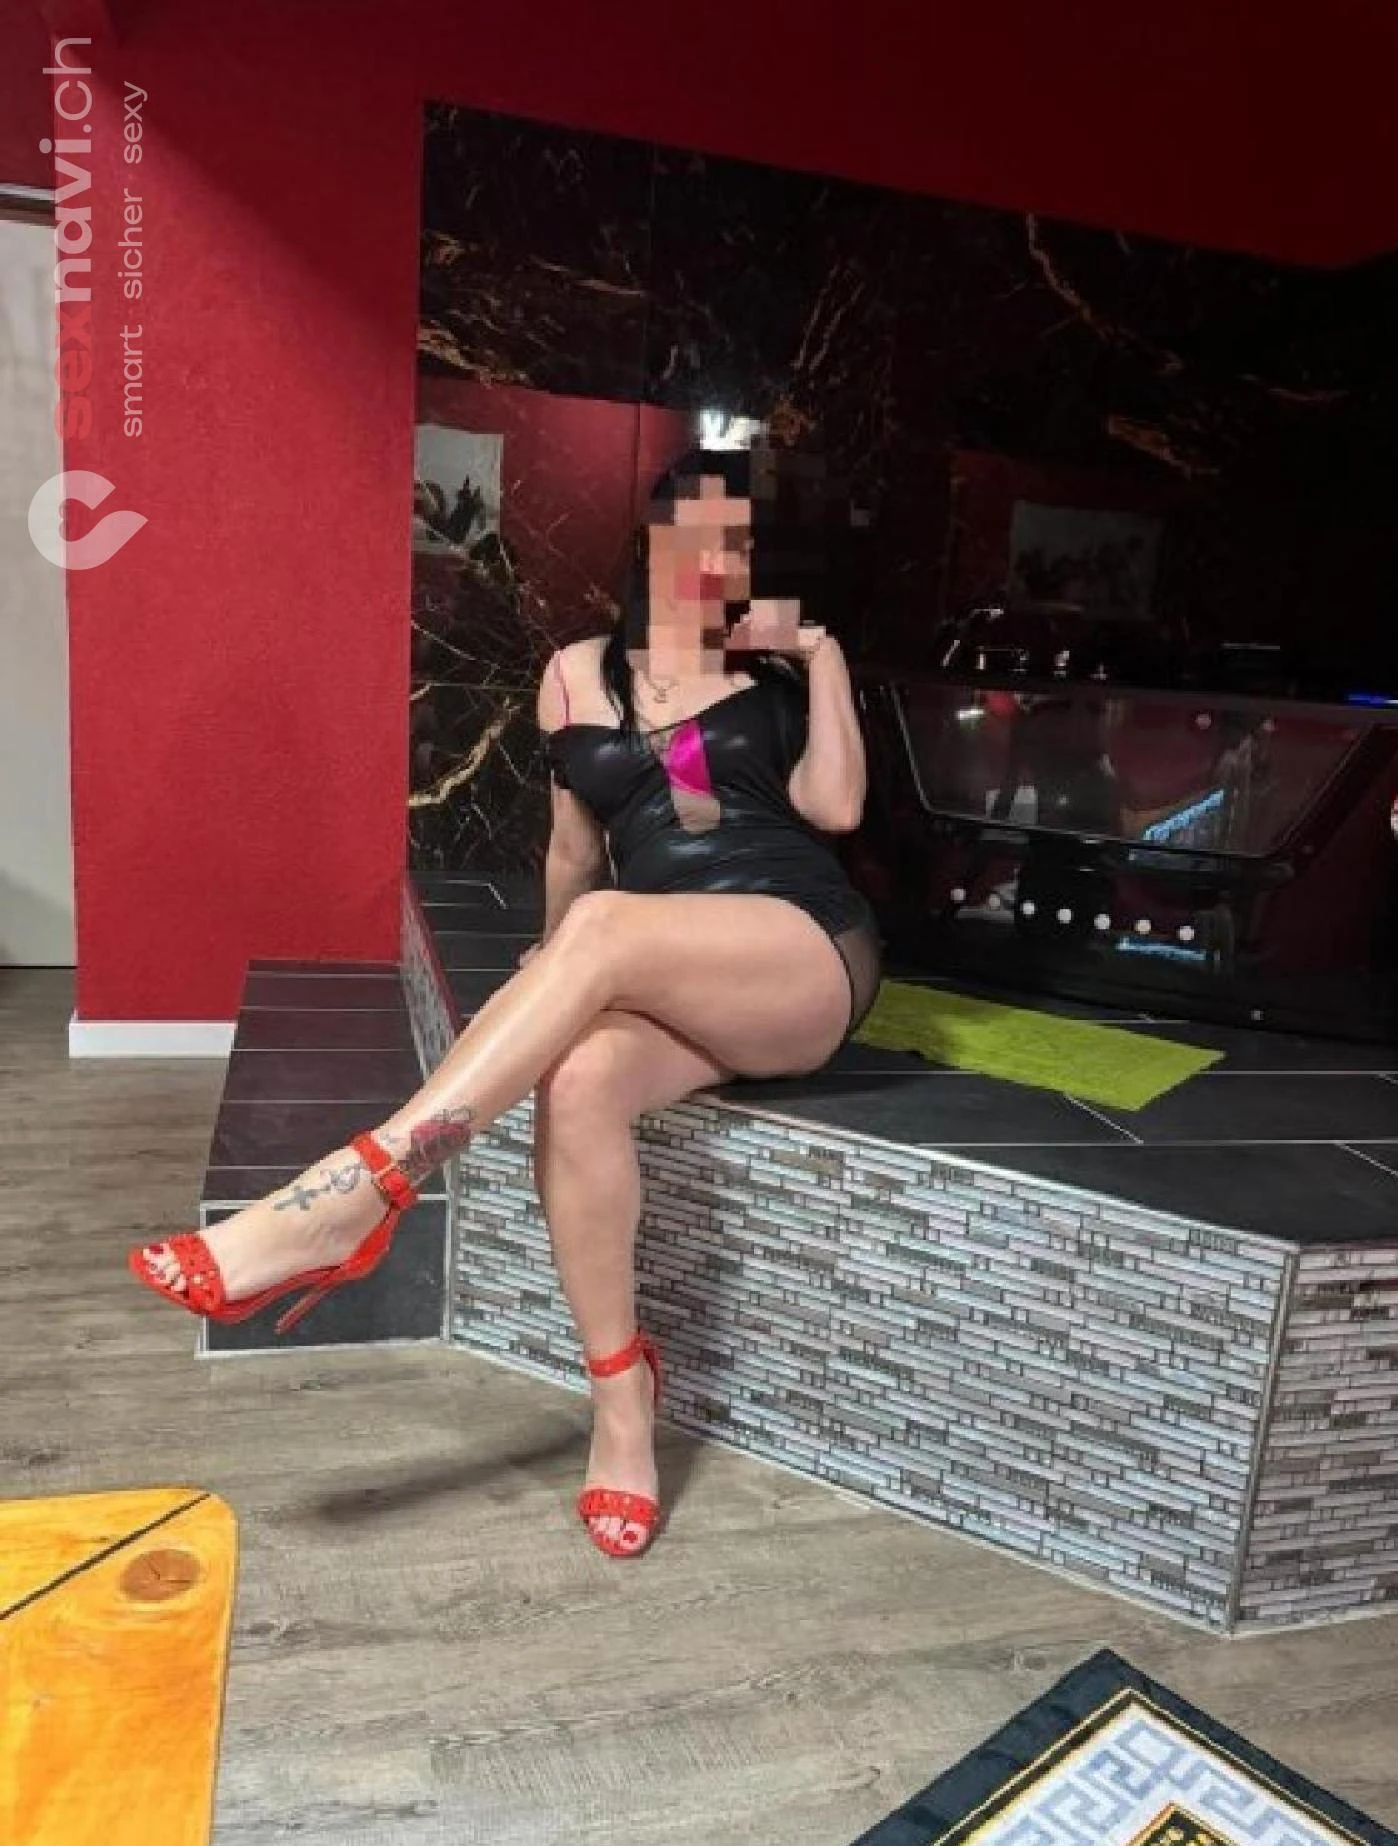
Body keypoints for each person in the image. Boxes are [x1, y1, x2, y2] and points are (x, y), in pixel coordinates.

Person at [128, 446, 884, 1562]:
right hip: (658, 950)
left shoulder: (771, 684)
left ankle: (354, 1193)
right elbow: (577, 847)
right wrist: (560, 958)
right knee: (577, 1079)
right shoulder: (580, 674)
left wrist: (821, 654)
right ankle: (622, 1400)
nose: (714, 560)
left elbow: (836, 806)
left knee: (606, 929)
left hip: (801, 948)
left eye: (736, 545)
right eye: (696, 534)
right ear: (652, 545)